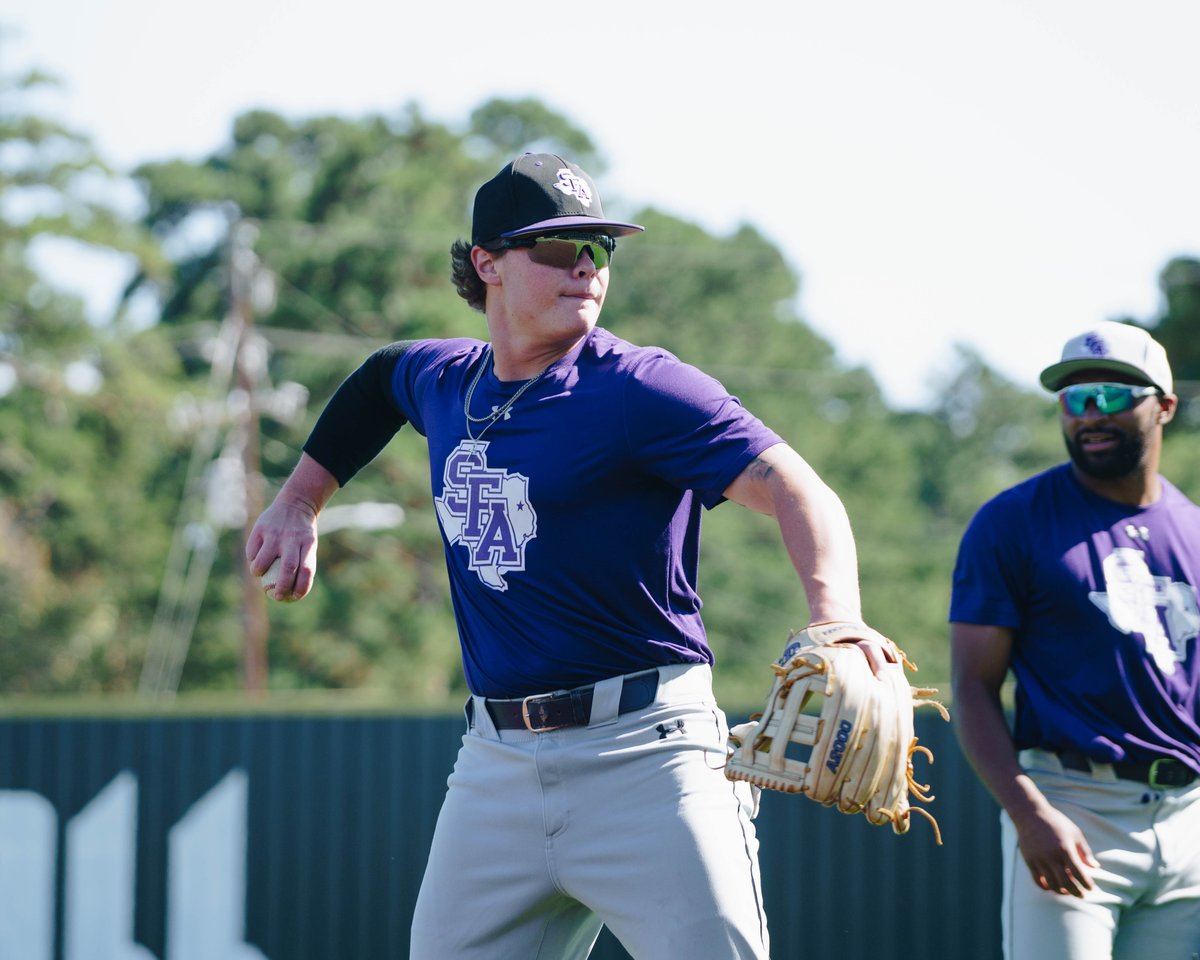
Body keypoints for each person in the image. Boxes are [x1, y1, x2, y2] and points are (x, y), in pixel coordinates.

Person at [246, 152, 894, 960]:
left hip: (650, 757)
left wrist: (837, 618)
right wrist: (300, 498)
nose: (585, 266)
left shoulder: (640, 388)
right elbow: (382, 380)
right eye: (557, 248)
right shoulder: (445, 381)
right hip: (495, 763)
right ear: (487, 263)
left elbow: (799, 488)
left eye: (599, 248)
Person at [949, 320, 1200, 960]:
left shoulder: (1194, 530)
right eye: (1075, 398)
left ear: (1165, 406)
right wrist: (1028, 813)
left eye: (1112, 396)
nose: (1091, 414)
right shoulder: (1011, 522)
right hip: (1071, 809)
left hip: (1189, 819)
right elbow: (972, 687)